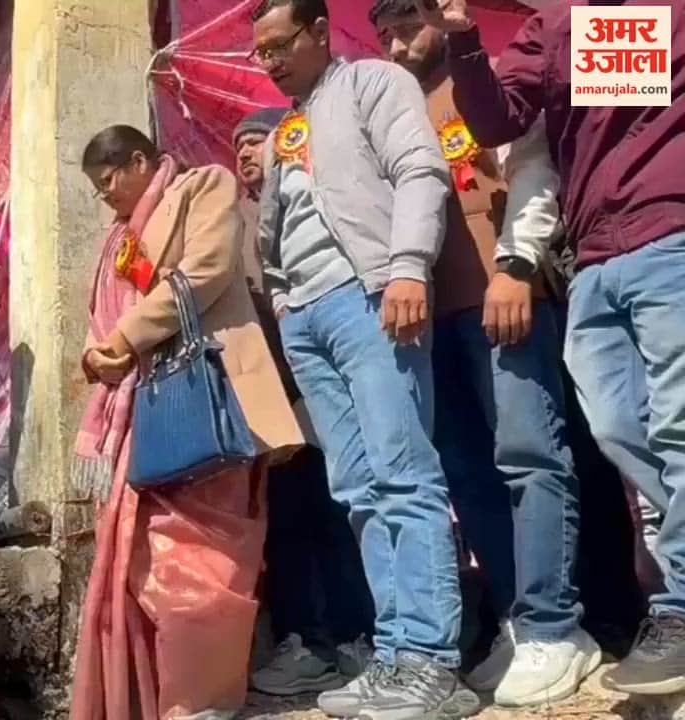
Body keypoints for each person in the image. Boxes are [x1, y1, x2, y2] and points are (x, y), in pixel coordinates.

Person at [415, 0, 685, 696]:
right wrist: (463, 37)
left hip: (666, 239)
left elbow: (631, 111)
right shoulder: (561, 23)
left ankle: (676, 609)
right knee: (625, 433)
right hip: (596, 257)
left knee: (676, 430)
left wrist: (516, 258)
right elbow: (503, 121)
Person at [249, 1, 479, 717]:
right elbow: (281, 224)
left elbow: (420, 168)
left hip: (368, 294)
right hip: (308, 317)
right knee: (357, 492)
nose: (271, 62)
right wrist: (284, 301)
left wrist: (407, 266)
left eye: (281, 45)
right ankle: (395, 653)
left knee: (404, 474)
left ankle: (435, 665)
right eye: (261, 53)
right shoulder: (291, 124)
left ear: (320, 31)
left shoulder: (374, 82)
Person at [370, 0, 599, 706]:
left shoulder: (492, 79)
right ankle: (514, 620)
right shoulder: (393, 109)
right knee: (468, 477)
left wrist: (516, 265)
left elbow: (533, 170)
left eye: (408, 19)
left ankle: (556, 626)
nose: (397, 38)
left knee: (531, 456)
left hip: (505, 298)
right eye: (384, 30)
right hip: (429, 321)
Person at [69, 124, 304, 720]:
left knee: (209, 555)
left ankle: (202, 701)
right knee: (140, 555)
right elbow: (104, 317)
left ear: (141, 161)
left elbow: (207, 270)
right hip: (144, 411)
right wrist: (103, 352)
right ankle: (152, 698)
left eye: (108, 183)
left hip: (211, 393)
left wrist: (123, 338)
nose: (107, 199)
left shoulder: (205, 186)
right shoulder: (116, 240)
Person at [233, 110, 376, 697]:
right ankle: (306, 642)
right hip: (275, 398)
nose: (243, 154)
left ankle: (359, 636)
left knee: (346, 512)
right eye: (236, 146)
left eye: (253, 142)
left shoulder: (318, 194)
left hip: (336, 381)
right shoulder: (235, 218)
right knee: (290, 522)